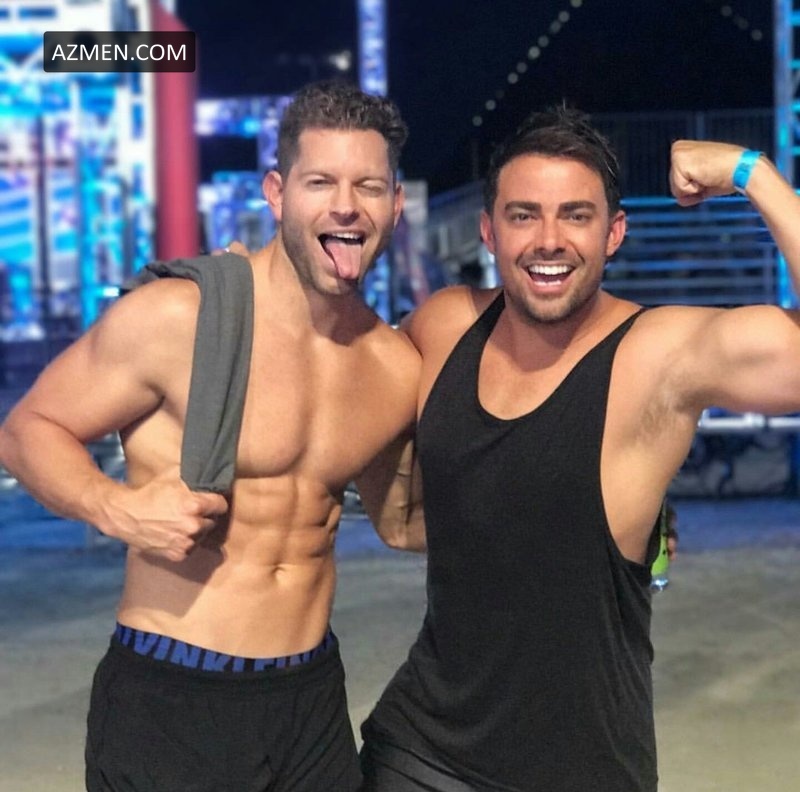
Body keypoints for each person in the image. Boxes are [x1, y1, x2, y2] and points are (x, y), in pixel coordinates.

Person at [0, 80, 423, 792]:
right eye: (320, 182)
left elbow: (402, 524)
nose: (346, 205)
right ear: (277, 194)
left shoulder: (393, 366)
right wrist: (115, 507)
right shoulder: (179, 318)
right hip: (173, 698)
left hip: (310, 702)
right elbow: (24, 432)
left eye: (369, 186)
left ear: (395, 204)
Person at [359, 109, 800, 791]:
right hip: (422, 757)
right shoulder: (445, 325)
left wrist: (753, 173)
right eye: (523, 215)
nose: (549, 240)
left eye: (576, 215)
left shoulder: (657, 355)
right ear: (489, 231)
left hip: (589, 769)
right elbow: (352, 413)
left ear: (613, 232)